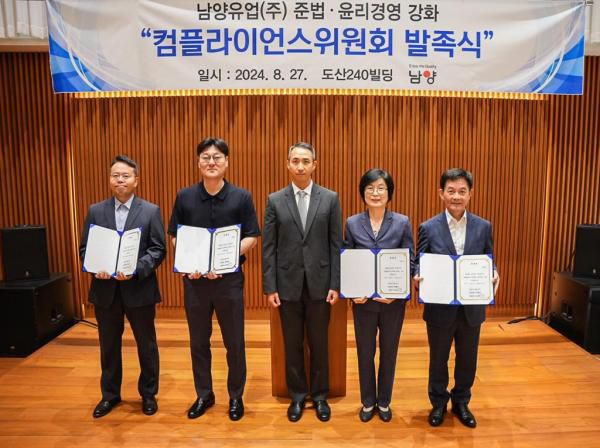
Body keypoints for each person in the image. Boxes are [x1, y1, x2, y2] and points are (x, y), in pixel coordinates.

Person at [168, 137, 260, 421]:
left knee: (235, 342)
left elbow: (252, 237)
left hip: (228, 281)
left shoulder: (241, 197)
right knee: (198, 341)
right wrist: (190, 262)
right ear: (198, 162)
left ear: (226, 162)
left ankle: (236, 396)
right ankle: (204, 394)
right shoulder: (184, 196)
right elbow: (175, 236)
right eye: (206, 157)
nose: (211, 162)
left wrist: (226, 259)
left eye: (217, 157)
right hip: (195, 281)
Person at [80, 155, 166, 418]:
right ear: (109, 180)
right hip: (105, 291)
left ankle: (148, 394)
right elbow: (85, 249)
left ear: (136, 180)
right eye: (115, 175)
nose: (120, 180)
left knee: (146, 345)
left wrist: (136, 269)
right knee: (108, 345)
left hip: (139, 289)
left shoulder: (150, 211)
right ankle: (110, 395)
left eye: (125, 176)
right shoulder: (96, 211)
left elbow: (158, 249)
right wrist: (96, 266)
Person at [262, 141, 342, 422]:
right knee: (292, 343)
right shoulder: (275, 200)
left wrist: (335, 284)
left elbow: (336, 245)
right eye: (295, 161)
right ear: (287, 164)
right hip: (287, 285)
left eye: (306, 161)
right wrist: (270, 287)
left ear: (314, 165)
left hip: (321, 284)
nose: (300, 166)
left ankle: (319, 396)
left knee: (320, 344)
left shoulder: (330, 199)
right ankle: (297, 396)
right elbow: (268, 247)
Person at [415, 168, 499, 428]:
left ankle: (461, 401)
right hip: (439, 308)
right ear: (441, 193)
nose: (456, 196)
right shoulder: (428, 227)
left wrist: (493, 272)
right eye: (451, 191)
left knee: (467, 359)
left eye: (462, 191)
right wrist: (417, 275)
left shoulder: (483, 226)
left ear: (471, 194)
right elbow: (419, 261)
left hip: (471, 308)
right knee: (438, 359)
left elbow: (488, 259)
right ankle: (438, 403)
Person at [344, 168, 414, 423]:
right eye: (370, 188)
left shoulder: (402, 222)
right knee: (365, 351)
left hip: (392, 303)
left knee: (389, 351)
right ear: (363, 192)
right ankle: (367, 401)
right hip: (363, 303)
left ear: (389, 193)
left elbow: (410, 261)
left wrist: (397, 292)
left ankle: (384, 401)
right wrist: (352, 293)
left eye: (381, 188)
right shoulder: (352, 223)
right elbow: (348, 260)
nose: (375, 193)